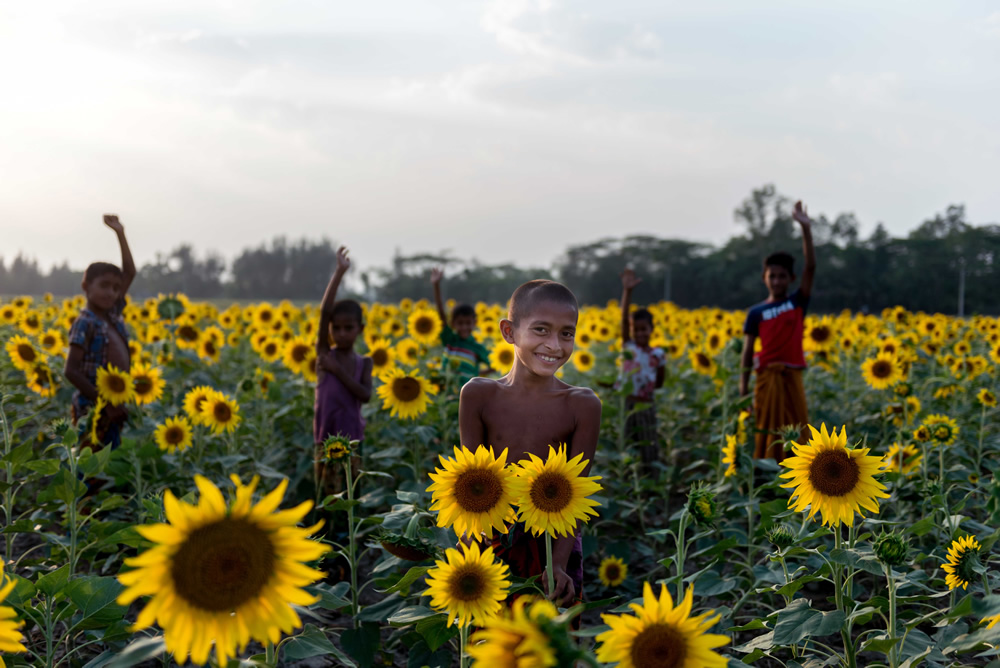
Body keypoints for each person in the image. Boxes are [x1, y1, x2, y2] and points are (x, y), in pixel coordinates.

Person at [460, 279, 602, 606]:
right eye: (541, 330)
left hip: (554, 542)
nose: (554, 345)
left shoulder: (582, 405)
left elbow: (575, 495)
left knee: (553, 642)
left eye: (566, 333)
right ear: (509, 332)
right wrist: (469, 540)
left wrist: (560, 563)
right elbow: (472, 481)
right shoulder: (477, 395)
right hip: (495, 534)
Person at [739, 200, 817, 462]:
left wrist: (805, 229)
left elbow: (811, 268)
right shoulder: (756, 312)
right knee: (768, 433)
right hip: (766, 380)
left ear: (791, 279)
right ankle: (767, 481)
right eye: (772, 275)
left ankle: (800, 481)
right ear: (764, 278)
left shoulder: (796, 303)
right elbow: (748, 353)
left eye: (782, 276)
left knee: (799, 431)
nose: (776, 280)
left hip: (791, 376)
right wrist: (743, 389)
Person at [65, 215, 136, 450]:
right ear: (86, 287)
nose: (112, 293)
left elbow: (129, 273)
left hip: (115, 403)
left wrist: (120, 233)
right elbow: (71, 371)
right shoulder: (85, 322)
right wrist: (104, 402)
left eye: (116, 289)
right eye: (104, 286)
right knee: (89, 463)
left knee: (109, 460)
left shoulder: (113, 314)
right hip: (92, 406)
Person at [314, 246, 373, 499]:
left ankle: (346, 534)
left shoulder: (364, 363)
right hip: (324, 437)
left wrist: (337, 371)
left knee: (350, 491)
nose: (340, 333)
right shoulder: (325, 354)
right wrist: (339, 273)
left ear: (359, 329)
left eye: (347, 328)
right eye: (335, 328)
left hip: (352, 439)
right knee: (325, 493)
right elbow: (324, 312)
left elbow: (365, 395)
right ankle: (325, 531)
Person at [618, 268, 666, 470]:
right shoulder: (629, 347)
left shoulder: (658, 354)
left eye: (643, 329)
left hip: (646, 404)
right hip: (628, 403)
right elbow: (623, 320)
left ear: (651, 329)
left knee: (649, 443)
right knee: (627, 444)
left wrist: (651, 390)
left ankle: (651, 478)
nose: (640, 333)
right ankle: (629, 479)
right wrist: (627, 292)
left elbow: (660, 380)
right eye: (636, 329)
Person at [430, 267, 491, 387]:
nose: (464, 327)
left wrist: (479, 374)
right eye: (460, 323)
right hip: (446, 391)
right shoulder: (450, 340)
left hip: (466, 395)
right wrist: (436, 285)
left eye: (468, 323)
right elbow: (441, 314)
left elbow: (495, 364)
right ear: (453, 323)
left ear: (475, 323)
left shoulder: (477, 348)